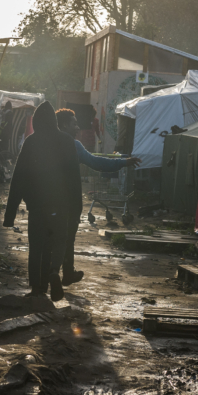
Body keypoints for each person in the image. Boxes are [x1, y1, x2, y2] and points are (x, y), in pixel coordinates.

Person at [3, 102, 82, 301]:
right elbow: (74, 178)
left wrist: (10, 215)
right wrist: (76, 208)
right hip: (61, 205)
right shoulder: (67, 141)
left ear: (37, 121)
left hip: (37, 207)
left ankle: (38, 287)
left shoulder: (31, 141)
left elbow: (18, 178)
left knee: (37, 246)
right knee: (58, 241)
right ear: (55, 121)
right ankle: (55, 270)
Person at [55, 108, 142, 286]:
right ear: (65, 125)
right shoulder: (74, 145)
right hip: (70, 199)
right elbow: (96, 163)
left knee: (51, 237)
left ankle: (53, 274)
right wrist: (123, 162)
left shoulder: (46, 143)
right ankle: (65, 273)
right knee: (68, 237)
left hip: (49, 198)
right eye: (74, 123)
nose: (78, 127)